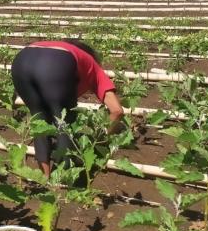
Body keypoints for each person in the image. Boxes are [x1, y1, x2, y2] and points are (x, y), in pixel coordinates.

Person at [10, 39, 124, 178]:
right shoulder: (91, 64)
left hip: (21, 60)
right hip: (57, 64)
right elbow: (117, 111)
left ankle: (43, 179)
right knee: (65, 124)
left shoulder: (67, 50)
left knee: (38, 119)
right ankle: (62, 178)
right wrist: (103, 137)